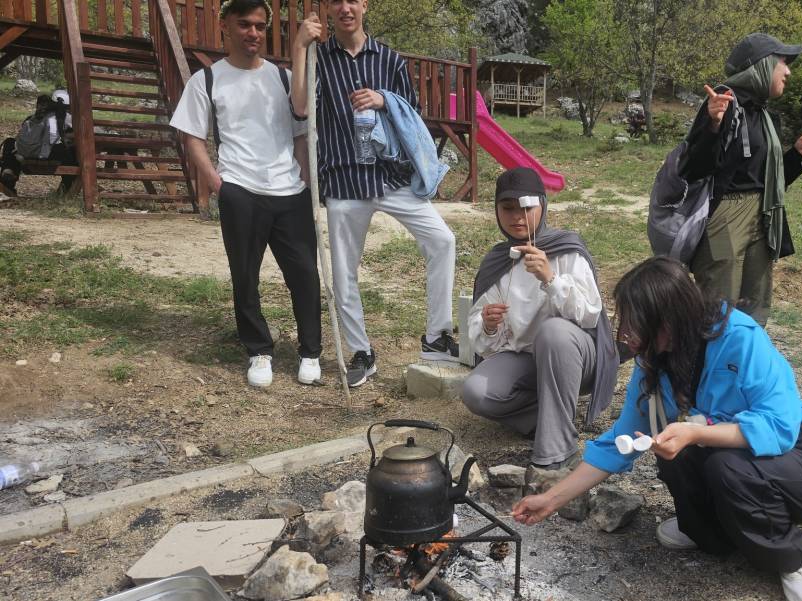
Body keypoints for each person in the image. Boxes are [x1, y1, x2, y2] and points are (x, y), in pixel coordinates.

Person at [513, 257, 802, 601]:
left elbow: (780, 426)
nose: (627, 334)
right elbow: (618, 443)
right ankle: (710, 530)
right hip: (740, 464)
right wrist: (551, 499)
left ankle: (795, 558)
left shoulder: (740, 338)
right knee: (674, 450)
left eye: (637, 322)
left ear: (671, 318)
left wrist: (697, 433)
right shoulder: (654, 361)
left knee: (721, 462)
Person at [291, 0, 460, 389]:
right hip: (345, 178)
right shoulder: (319, 56)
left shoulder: (389, 58)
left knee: (442, 240)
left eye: (353, 0)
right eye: (336, 2)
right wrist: (299, 47)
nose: (345, 8)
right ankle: (361, 351)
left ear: (365, 5)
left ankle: (437, 336)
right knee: (343, 271)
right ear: (329, 10)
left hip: (391, 175)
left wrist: (385, 99)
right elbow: (300, 107)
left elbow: (412, 113)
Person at [170, 0, 322, 388]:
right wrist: (218, 183)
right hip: (240, 189)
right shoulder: (206, 79)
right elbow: (191, 135)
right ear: (225, 26)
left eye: (259, 26)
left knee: (304, 273)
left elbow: (301, 131)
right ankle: (259, 351)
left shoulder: (284, 77)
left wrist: (304, 177)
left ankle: (310, 352)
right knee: (245, 276)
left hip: (289, 190)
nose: (252, 33)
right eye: (244, 25)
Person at [462, 167, 618, 470]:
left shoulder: (566, 248)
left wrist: (551, 278)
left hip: (575, 358)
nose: (518, 217)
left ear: (542, 206)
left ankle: (556, 451)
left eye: (526, 208)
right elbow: (485, 344)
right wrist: (488, 324)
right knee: (476, 392)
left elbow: (589, 316)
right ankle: (547, 417)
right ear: (496, 211)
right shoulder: (498, 260)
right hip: (526, 362)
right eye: (508, 209)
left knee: (554, 333)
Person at [678, 33, 802, 326]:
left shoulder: (763, 114)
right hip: (726, 216)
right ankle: (707, 367)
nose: (789, 71)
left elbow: (766, 180)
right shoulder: (723, 103)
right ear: (763, 65)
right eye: (783, 63)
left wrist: (796, 155)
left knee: (755, 307)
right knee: (718, 307)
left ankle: (743, 367)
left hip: (762, 215)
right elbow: (693, 169)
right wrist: (712, 126)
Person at [1, 92, 76, 195]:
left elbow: (22, 135)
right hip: (48, 156)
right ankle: (66, 188)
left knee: (10, 142)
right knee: (74, 154)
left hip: (25, 154)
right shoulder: (66, 117)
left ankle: (8, 173)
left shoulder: (31, 118)